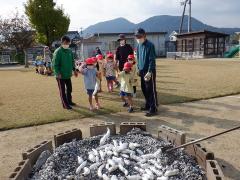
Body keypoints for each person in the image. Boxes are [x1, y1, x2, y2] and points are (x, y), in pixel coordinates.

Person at [135, 28, 158, 117]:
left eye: (139, 36)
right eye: (137, 36)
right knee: (144, 89)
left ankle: (153, 108)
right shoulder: (138, 46)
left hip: (149, 71)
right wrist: (138, 68)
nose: (138, 38)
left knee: (150, 89)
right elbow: (138, 58)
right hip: (142, 70)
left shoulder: (150, 45)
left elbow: (152, 60)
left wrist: (149, 72)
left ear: (144, 36)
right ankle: (148, 105)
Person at [52, 35, 78, 110]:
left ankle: (69, 101)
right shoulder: (58, 52)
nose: (67, 44)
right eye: (66, 43)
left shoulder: (69, 51)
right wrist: (58, 73)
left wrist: (74, 70)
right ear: (62, 42)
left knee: (69, 88)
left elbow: (72, 61)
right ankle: (65, 104)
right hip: (60, 75)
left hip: (67, 74)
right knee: (62, 90)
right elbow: (55, 64)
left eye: (68, 43)